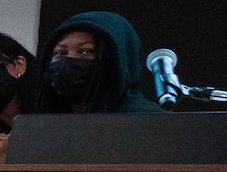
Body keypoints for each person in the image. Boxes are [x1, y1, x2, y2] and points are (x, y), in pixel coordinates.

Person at [28, 10, 161, 115]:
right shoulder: (41, 123)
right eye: (60, 53)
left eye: (85, 51)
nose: (69, 60)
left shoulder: (149, 121)